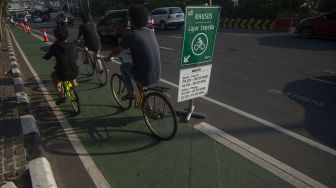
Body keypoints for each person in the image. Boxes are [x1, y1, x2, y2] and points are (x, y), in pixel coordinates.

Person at [105, 5, 161, 100]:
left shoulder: (131, 35)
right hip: (156, 74)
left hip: (144, 75)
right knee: (139, 74)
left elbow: (117, 50)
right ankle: (148, 108)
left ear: (131, 20)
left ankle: (130, 93)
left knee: (123, 67)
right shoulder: (150, 31)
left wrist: (108, 57)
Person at [43, 27, 79, 105]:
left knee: (54, 77)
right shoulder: (73, 45)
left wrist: (44, 57)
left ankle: (61, 95)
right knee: (71, 70)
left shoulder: (54, 46)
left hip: (62, 73)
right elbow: (76, 57)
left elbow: (48, 56)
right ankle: (74, 84)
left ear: (55, 36)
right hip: (75, 72)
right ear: (67, 35)